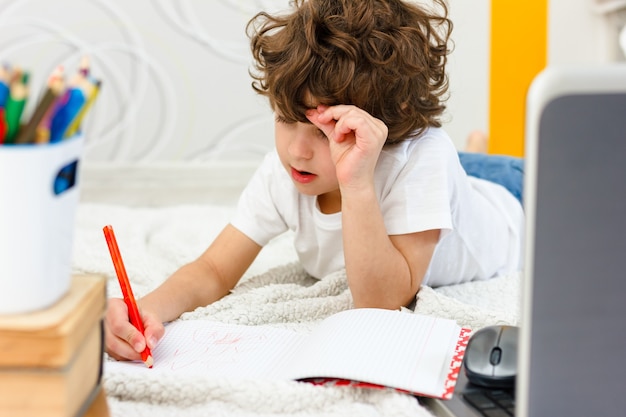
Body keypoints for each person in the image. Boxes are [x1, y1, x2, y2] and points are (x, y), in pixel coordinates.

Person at [105, 0, 524, 362]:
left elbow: (381, 302)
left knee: (502, 170)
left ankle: (476, 152)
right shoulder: (285, 169)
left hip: (511, 199)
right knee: (468, 164)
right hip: (454, 186)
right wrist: (144, 310)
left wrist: (357, 183)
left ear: (384, 127)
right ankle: (475, 150)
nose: (297, 152)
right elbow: (214, 270)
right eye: (288, 120)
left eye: (326, 132)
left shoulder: (423, 156)